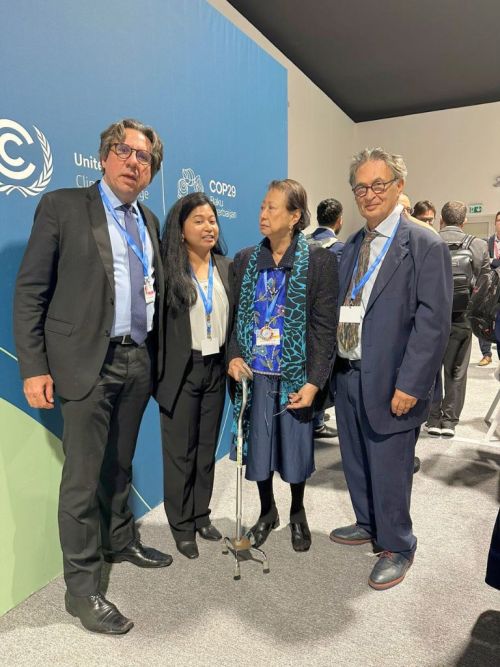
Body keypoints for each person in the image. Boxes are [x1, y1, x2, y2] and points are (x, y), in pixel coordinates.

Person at [14, 119, 171, 635]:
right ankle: (81, 591)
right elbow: (31, 290)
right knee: (81, 480)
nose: (133, 162)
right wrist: (34, 365)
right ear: (104, 156)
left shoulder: (147, 219)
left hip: (136, 362)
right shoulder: (63, 206)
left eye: (144, 157)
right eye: (125, 151)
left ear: (151, 172)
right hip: (85, 361)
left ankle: (119, 541)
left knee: (119, 465)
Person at [330, 148, 452, 590]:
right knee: (357, 460)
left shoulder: (424, 244)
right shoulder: (350, 248)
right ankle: (368, 522)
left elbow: (433, 322)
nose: (369, 194)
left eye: (378, 185)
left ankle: (398, 544)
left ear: (399, 187)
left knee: (391, 465)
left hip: (394, 380)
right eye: (361, 186)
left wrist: (412, 384)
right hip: (349, 373)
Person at [228, 179, 338, 552]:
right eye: (262, 206)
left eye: (272, 208)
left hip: (295, 373)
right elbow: (234, 322)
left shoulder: (320, 261)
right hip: (256, 374)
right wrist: (234, 355)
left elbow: (324, 327)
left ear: (294, 216)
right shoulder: (246, 260)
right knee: (258, 447)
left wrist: (314, 381)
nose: (263, 214)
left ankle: (297, 510)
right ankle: (266, 511)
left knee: (294, 447)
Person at [155, 193, 232, 560]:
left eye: (212, 219)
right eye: (199, 220)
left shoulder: (226, 267)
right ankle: (181, 525)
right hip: (182, 371)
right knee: (179, 454)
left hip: (216, 368)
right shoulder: (168, 270)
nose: (209, 226)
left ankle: (201, 515)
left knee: (205, 450)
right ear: (181, 230)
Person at [427, 202, 489, 438]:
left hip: (431, 317)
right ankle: (449, 421)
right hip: (462, 318)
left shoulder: (428, 239)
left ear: (441, 220)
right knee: (457, 370)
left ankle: (432, 418)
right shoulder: (479, 245)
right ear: (464, 222)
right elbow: (485, 286)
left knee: (430, 369)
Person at [306, 197, 344, 438]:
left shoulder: (302, 244)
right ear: (339, 220)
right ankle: (317, 419)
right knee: (324, 366)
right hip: (327, 317)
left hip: (300, 317)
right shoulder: (340, 249)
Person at [478, 211, 500, 366]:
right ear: (495, 223)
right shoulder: (486, 242)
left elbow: (493, 263)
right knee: (484, 319)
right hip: (490, 289)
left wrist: (494, 262)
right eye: (499, 220)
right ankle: (486, 354)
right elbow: (484, 264)